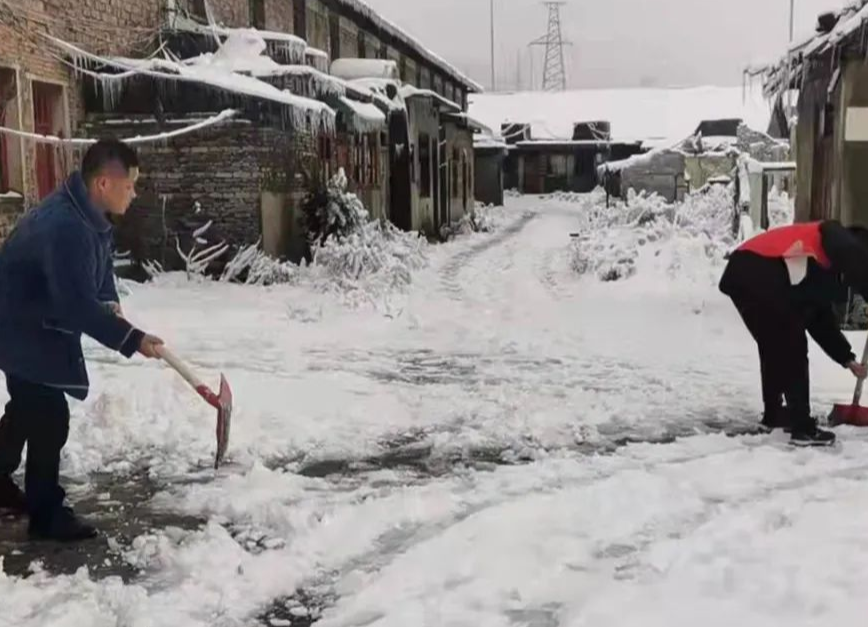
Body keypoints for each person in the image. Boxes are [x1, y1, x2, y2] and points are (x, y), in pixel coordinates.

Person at [0, 139, 164, 541]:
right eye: (132, 185)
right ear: (104, 183)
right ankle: (46, 515)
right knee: (49, 418)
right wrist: (132, 338)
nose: (135, 193)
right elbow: (76, 306)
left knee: (28, 408)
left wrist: (109, 301)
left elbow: (100, 261)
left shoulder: (87, 213)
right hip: (19, 327)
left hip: (27, 322)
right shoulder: (66, 226)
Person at [719, 219, 868, 447]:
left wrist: (847, 359)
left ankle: (775, 414)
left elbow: (819, 319)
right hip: (760, 267)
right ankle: (803, 429)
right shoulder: (839, 238)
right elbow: (854, 258)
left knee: (774, 342)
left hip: (743, 272)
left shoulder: (818, 268)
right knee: (791, 342)